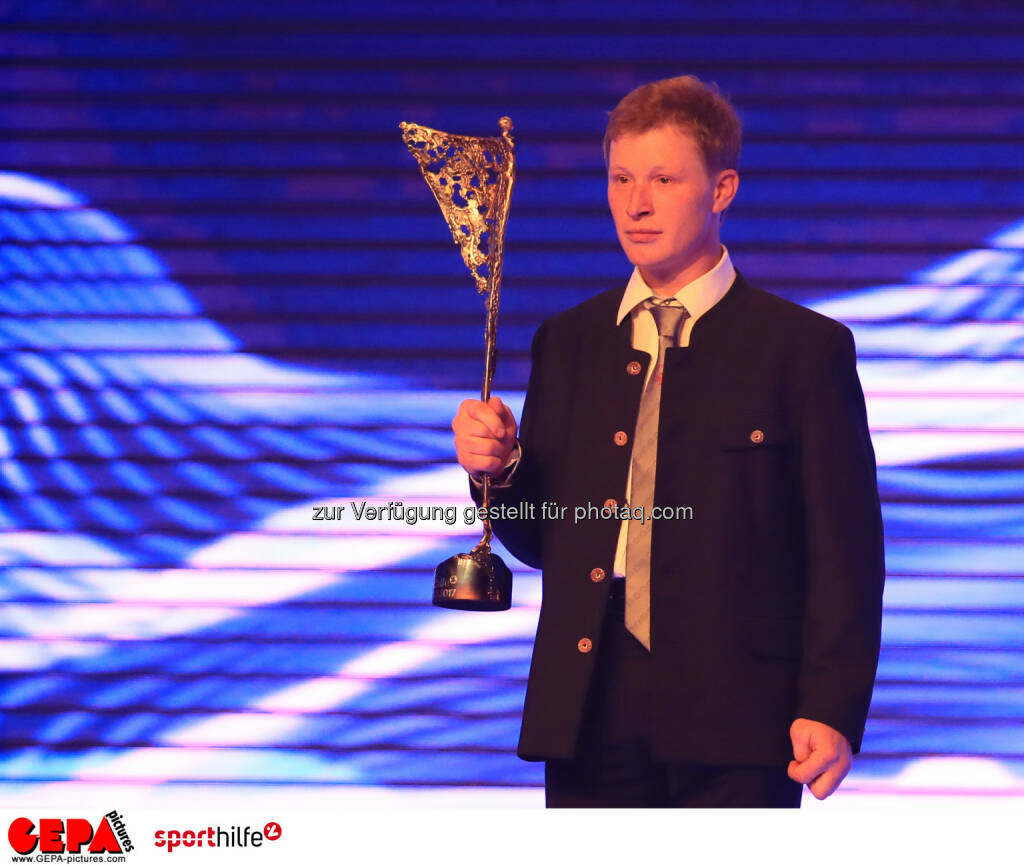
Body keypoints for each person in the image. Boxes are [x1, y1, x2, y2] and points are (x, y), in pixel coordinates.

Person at [452, 74, 885, 808]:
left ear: (722, 190)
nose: (635, 202)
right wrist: (496, 470)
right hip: (589, 703)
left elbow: (844, 551)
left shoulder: (801, 350)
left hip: (742, 711)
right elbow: (542, 540)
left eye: (662, 177)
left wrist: (832, 705)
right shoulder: (571, 342)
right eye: (620, 177)